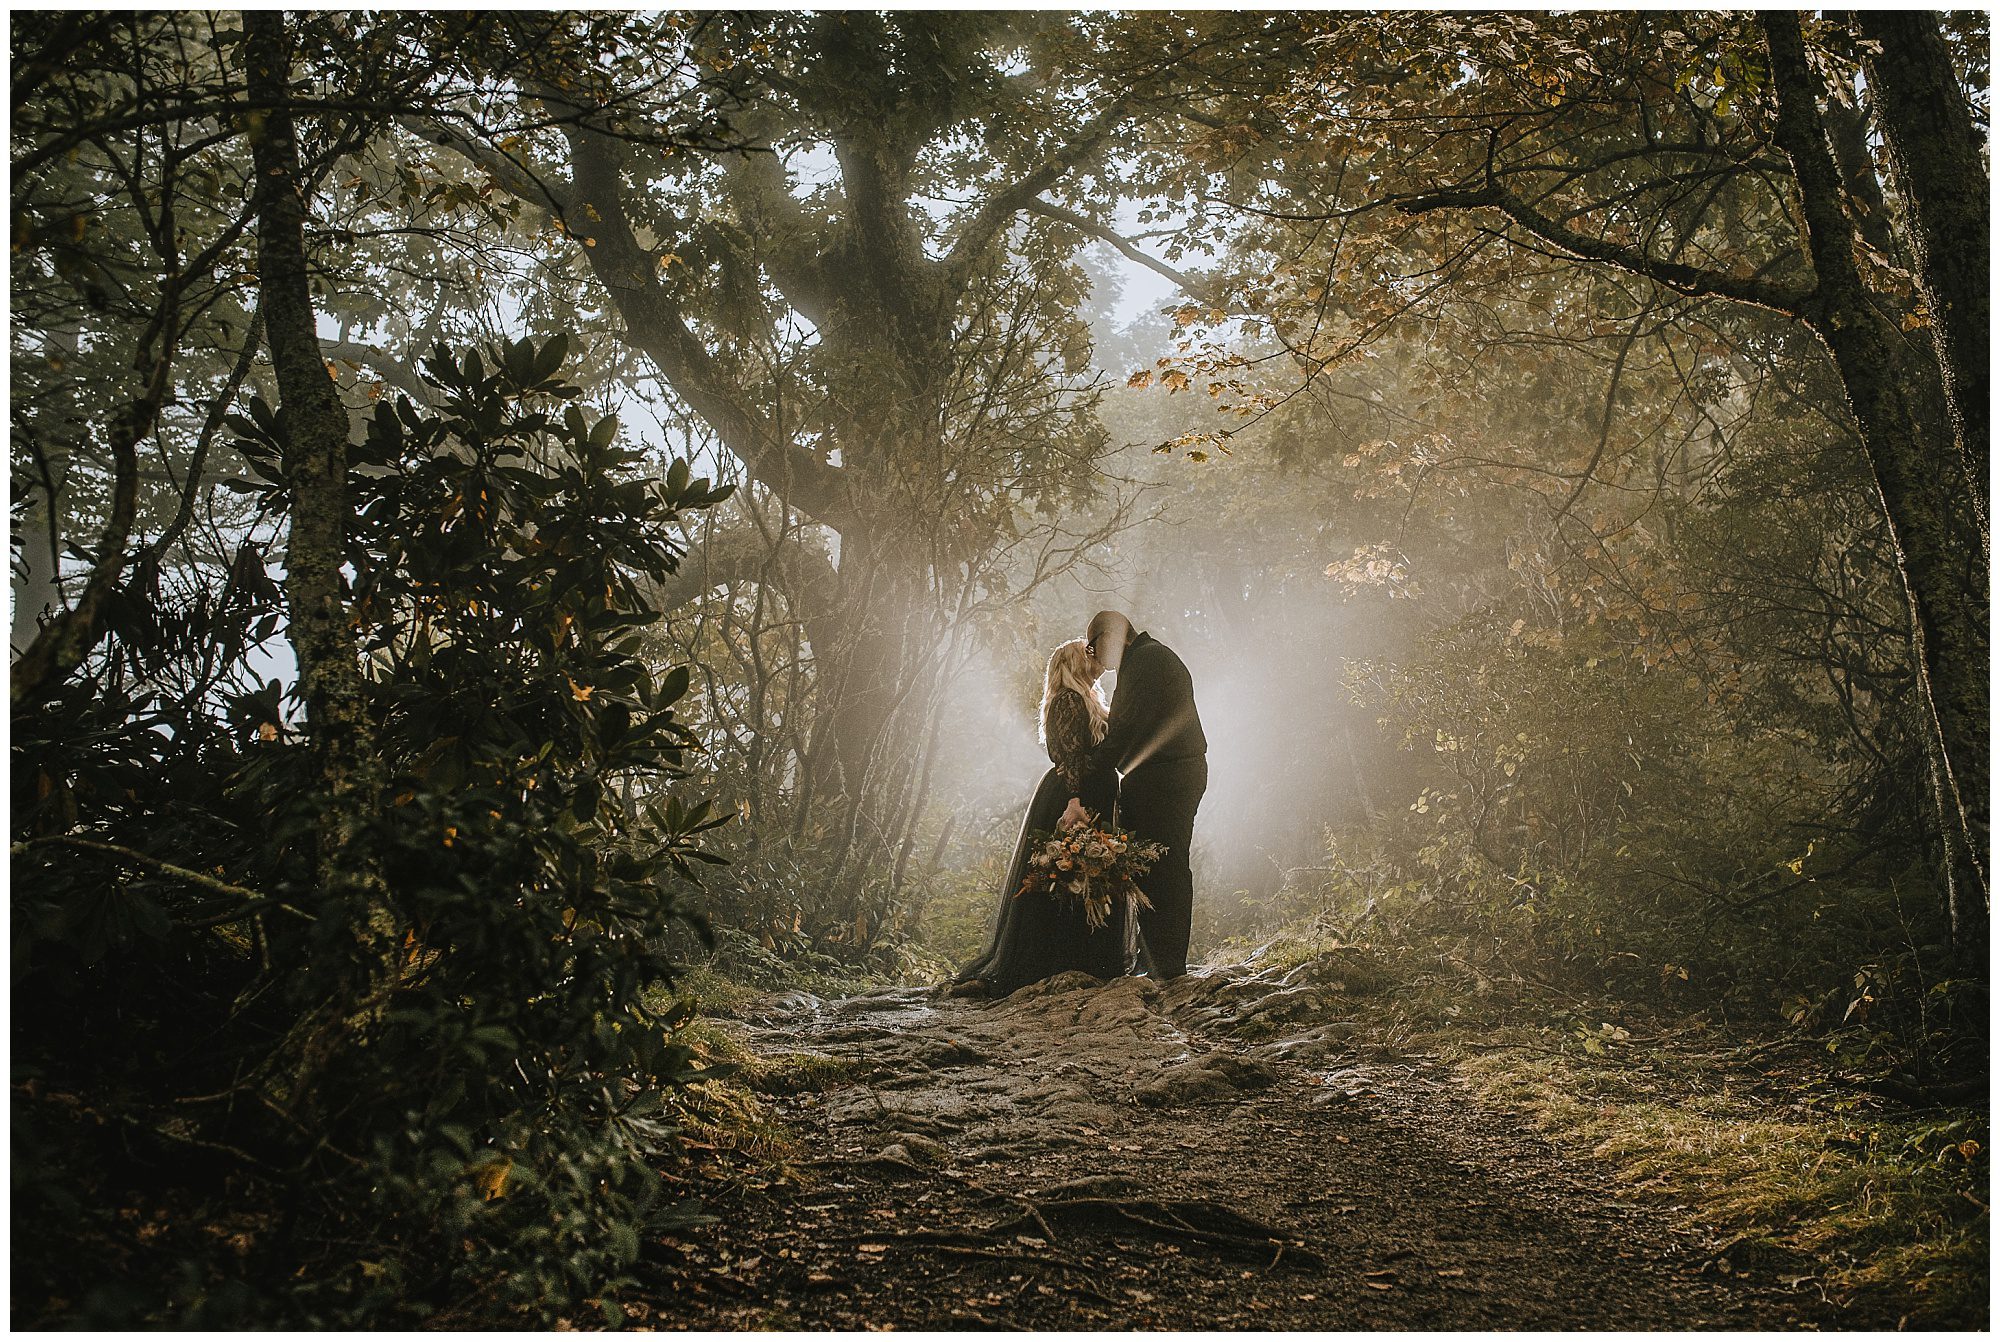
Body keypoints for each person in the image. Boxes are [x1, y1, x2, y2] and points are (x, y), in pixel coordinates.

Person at [952, 639, 1129, 996]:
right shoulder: (1067, 700)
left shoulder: (1088, 698)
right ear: (1074, 663)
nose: (1095, 657)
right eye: (1087, 653)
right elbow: (1068, 756)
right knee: (1065, 874)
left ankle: (1084, 959)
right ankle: (1054, 961)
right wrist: (1075, 801)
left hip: (1090, 793)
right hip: (1071, 797)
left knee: (1088, 875)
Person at [1062, 610, 1207, 980]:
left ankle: (1168, 965)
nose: (1095, 658)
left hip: (1168, 778)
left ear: (1114, 636)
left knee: (1167, 866)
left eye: (1094, 647)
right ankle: (1157, 959)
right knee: (1152, 865)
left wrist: (1084, 777)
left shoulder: (1148, 661)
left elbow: (1122, 732)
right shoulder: (1144, 659)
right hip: (1162, 775)